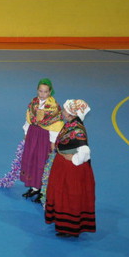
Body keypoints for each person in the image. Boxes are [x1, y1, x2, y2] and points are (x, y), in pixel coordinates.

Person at [44, 99, 96, 238]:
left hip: (72, 169)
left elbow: (85, 151)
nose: (62, 111)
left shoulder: (78, 130)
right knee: (62, 194)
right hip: (63, 165)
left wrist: (73, 159)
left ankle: (70, 227)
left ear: (71, 113)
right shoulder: (70, 125)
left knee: (69, 195)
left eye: (65, 110)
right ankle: (62, 222)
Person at [20, 79, 64, 202]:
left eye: (45, 92)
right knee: (32, 158)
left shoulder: (54, 107)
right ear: (37, 90)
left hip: (44, 137)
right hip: (33, 134)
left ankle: (43, 190)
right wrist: (26, 132)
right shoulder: (33, 103)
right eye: (40, 91)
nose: (42, 94)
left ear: (50, 92)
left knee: (42, 161)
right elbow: (28, 118)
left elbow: (56, 124)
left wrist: (53, 141)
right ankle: (34, 187)